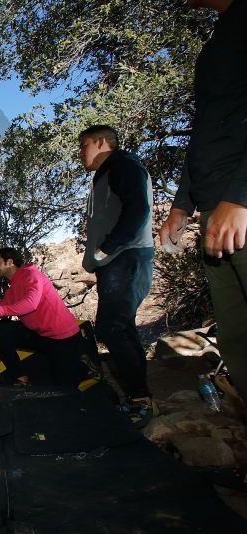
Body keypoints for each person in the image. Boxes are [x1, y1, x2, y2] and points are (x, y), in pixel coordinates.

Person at [159, 0, 247, 407]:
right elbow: (207, 126)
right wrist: (183, 202)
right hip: (215, 207)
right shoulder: (219, 39)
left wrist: (240, 197)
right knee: (236, 333)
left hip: (237, 205)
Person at [78, 124, 156, 424]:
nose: (80, 153)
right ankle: (139, 397)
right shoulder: (106, 174)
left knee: (113, 328)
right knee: (120, 328)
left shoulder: (124, 165)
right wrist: (95, 259)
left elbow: (139, 209)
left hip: (126, 258)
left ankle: (141, 401)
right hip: (115, 262)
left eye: (84, 145)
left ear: (101, 142)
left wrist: (105, 250)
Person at [0, 247, 91, 389]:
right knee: (2, 329)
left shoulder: (32, 276)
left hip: (64, 339)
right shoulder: (12, 290)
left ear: (10, 262)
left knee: (66, 389)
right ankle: (20, 378)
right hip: (42, 337)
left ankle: (84, 365)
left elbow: (30, 303)